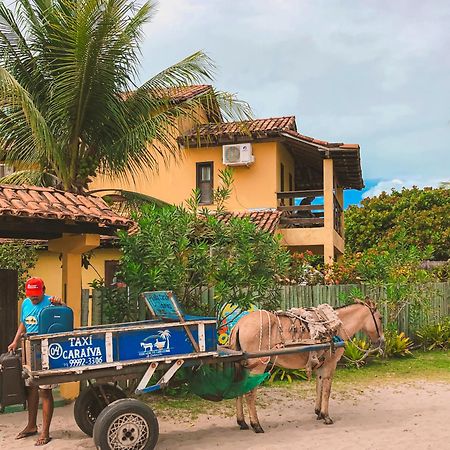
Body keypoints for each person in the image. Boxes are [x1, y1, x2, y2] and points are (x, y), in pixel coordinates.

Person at [8, 277, 62, 446]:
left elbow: (65, 315)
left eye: (36, 295)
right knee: (30, 388)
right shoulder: (25, 303)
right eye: (31, 295)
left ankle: (45, 432)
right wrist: (15, 340)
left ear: (43, 290)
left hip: (45, 350)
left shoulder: (51, 302)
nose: (34, 298)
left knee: (44, 391)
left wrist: (61, 304)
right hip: (28, 349)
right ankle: (31, 426)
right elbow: (23, 323)